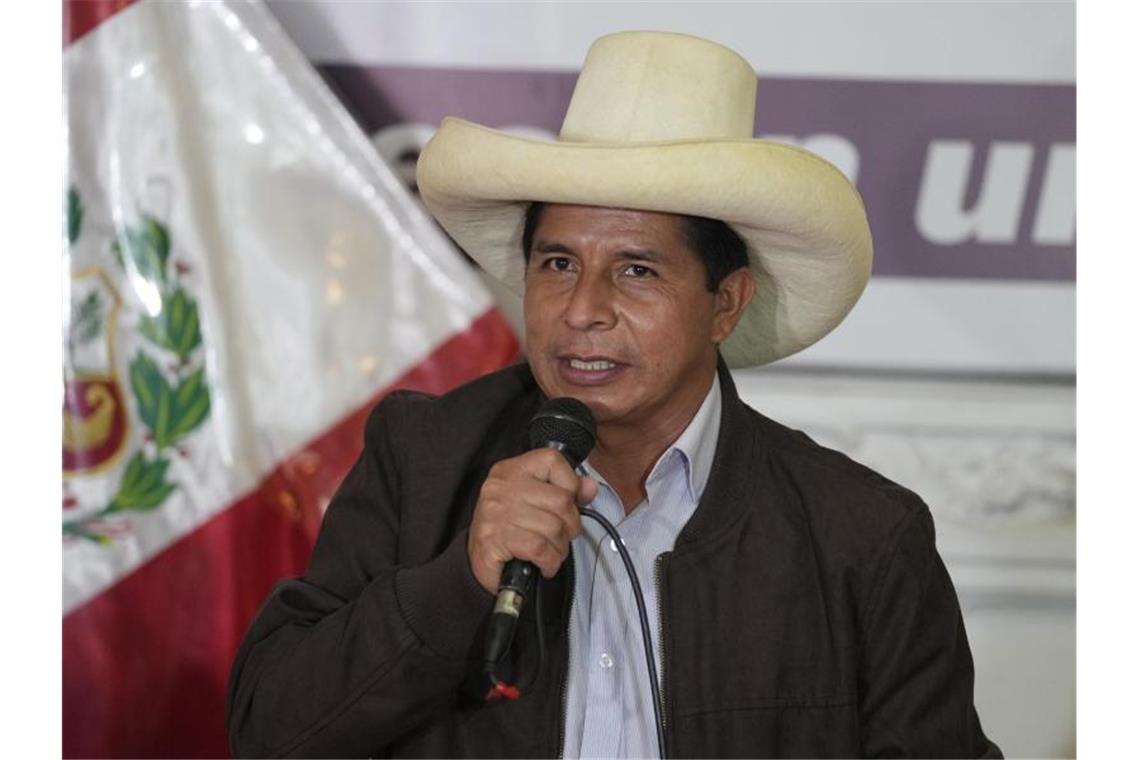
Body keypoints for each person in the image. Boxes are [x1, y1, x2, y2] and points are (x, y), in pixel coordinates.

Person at [227, 31, 1001, 758]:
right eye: (558, 264)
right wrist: (459, 581)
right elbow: (269, 730)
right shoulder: (421, 461)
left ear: (725, 304)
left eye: (636, 270)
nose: (582, 310)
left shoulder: (860, 536)